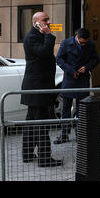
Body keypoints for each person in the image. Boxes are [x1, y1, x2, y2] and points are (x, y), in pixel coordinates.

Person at [20, 11, 63, 167]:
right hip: (37, 87)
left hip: (39, 86)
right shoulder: (32, 37)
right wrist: (49, 35)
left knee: (32, 123)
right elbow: (44, 52)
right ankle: (44, 158)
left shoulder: (37, 36)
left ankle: (27, 154)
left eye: (48, 19)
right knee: (41, 124)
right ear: (36, 23)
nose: (48, 22)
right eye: (45, 20)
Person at [53, 28, 100, 144]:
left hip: (83, 79)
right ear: (76, 36)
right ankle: (64, 134)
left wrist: (87, 67)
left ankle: (81, 134)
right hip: (69, 79)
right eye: (81, 42)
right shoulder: (66, 43)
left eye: (85, 42)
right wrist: (70, 70)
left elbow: (96, 59)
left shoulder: (90, 44)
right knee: (66, 109)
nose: (84, 44)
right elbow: (59, 59)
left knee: (82, 109)